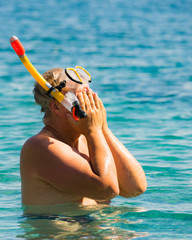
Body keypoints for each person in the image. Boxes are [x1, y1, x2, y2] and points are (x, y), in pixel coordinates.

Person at [20, 67, 147, 206]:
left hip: (93, 224)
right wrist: (93, 130)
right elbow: (107, 190)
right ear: (56, 107)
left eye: (89, 95)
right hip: (61, 225)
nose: (89, 103)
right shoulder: (41, 147)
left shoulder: (88, 139)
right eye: (81, 97)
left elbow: (135, 188)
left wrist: (102, 128)